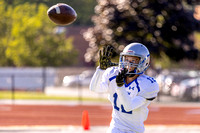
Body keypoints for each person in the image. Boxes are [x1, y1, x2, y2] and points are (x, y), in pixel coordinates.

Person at [89, 42, 159, 133]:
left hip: (135, 130)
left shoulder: (148, 84)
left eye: (133, 61)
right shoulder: (113, 73)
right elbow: (94, 88)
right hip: (116, 128)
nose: (128, 64)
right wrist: (101, 70)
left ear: (143, 62)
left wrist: (120, 86)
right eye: (126, 59)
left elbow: (128, 106)